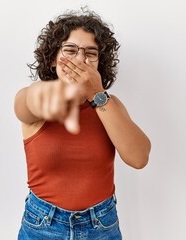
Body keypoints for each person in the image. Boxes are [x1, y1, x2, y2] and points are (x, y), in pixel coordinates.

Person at [14, 8, 151, 240]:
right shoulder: (37, 96)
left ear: (100, 62)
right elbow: (23, 105)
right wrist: (48, 94)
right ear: (52, 59)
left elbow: (138, 158)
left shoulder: (109, 104)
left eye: (90, 53)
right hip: (42, 225)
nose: (80, 59)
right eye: (70, 50)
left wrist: (97, 95)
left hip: (101, 226)